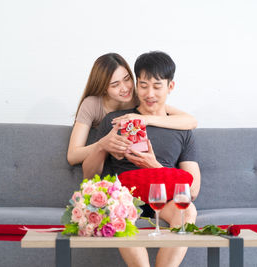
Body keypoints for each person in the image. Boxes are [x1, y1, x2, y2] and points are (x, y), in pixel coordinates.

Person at [83, 51, 201, 267]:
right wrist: (102, 145)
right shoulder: (116, 121)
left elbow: (192, 190)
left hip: (164, 198)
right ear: (137, 85)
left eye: (157, 86)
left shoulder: (182, 129)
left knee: (188, 211)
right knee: (114, 204)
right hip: (124, 199)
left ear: (170, 87)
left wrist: (154, 166)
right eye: (144, 85)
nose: (149, 93)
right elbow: (89, 174)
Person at [67, 53, 198, 166]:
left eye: (127, 79)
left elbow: (190, 121)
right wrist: (103, 144)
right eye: (115, 84)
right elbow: (73, 156)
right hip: (101, 154)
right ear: (104, 88)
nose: (125, 88)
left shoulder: (140, 97)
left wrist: (145, 119)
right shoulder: (92, 104)